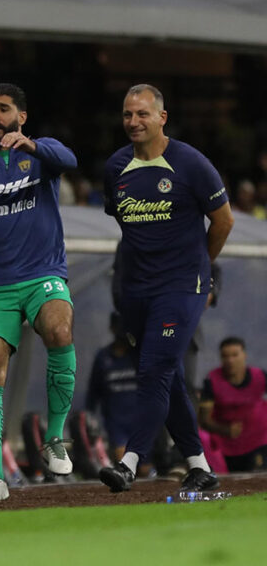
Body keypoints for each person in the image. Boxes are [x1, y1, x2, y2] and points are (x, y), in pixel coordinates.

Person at [99, 84, 234, 493]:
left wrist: (200, 269)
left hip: (181, 286)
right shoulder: (115, 167)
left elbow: (223, 220)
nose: (134, 122)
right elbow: (125, 227)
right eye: (127, 114)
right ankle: (198, 463)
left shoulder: (190, 163)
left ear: (162, 117)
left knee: (153, 370)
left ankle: (129, 462)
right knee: (167, 373)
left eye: (142, 114)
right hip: (137, 290)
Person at [0, 83, 78, 501]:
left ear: (21, 116)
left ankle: (55, 438)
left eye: (3, 109)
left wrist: (33, 145)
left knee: (60, 330)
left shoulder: (42, 153)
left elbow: (69, 160)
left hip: (43, 273)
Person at [198, 337, 267, 472]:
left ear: (244, 356)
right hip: (226, 445)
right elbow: (204, 420)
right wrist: (224, 429)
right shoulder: (212, 380)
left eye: (235, 355)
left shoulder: (260, 376)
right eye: (225, 356)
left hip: (259, 440)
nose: (230, 360)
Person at [86, 312, 139, 463]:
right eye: (118, 326)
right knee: (125, 462)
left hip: (139, 421)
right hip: (116, 423)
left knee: (143, 469)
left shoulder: (138, 355)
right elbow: (93, 391)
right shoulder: (103, 358)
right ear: (112, 328)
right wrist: (90, 416)